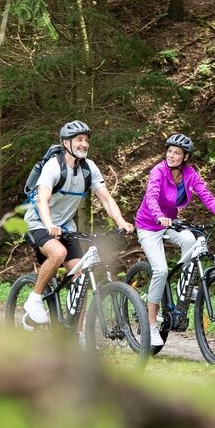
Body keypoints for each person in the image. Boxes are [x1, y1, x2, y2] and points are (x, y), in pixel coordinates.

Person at [22, 120, 135, 324]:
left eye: (86, 140)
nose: (84, 144)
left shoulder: (89, 168)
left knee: (80, 278)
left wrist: (121, 222)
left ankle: (78, 335)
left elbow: (107, 199)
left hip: (66, 228)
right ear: (66, 143)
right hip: (38, 222)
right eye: (78, 140)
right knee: (58, 253)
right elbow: (42, 199)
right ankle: (35, 298)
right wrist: (49, 225)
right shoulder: (53, 166)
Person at [134, 133, 215, 347]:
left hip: (171, 223)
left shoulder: (190, 174)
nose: (172, 155)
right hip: (149, 224)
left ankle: (185, 288)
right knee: (161, 270)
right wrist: (158, 216)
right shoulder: (158, 171)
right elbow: (152, 196)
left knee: (193, 241)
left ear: (185, 157)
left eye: (177, 153)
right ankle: (152, 324)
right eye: (170, 151)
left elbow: (206, 196)